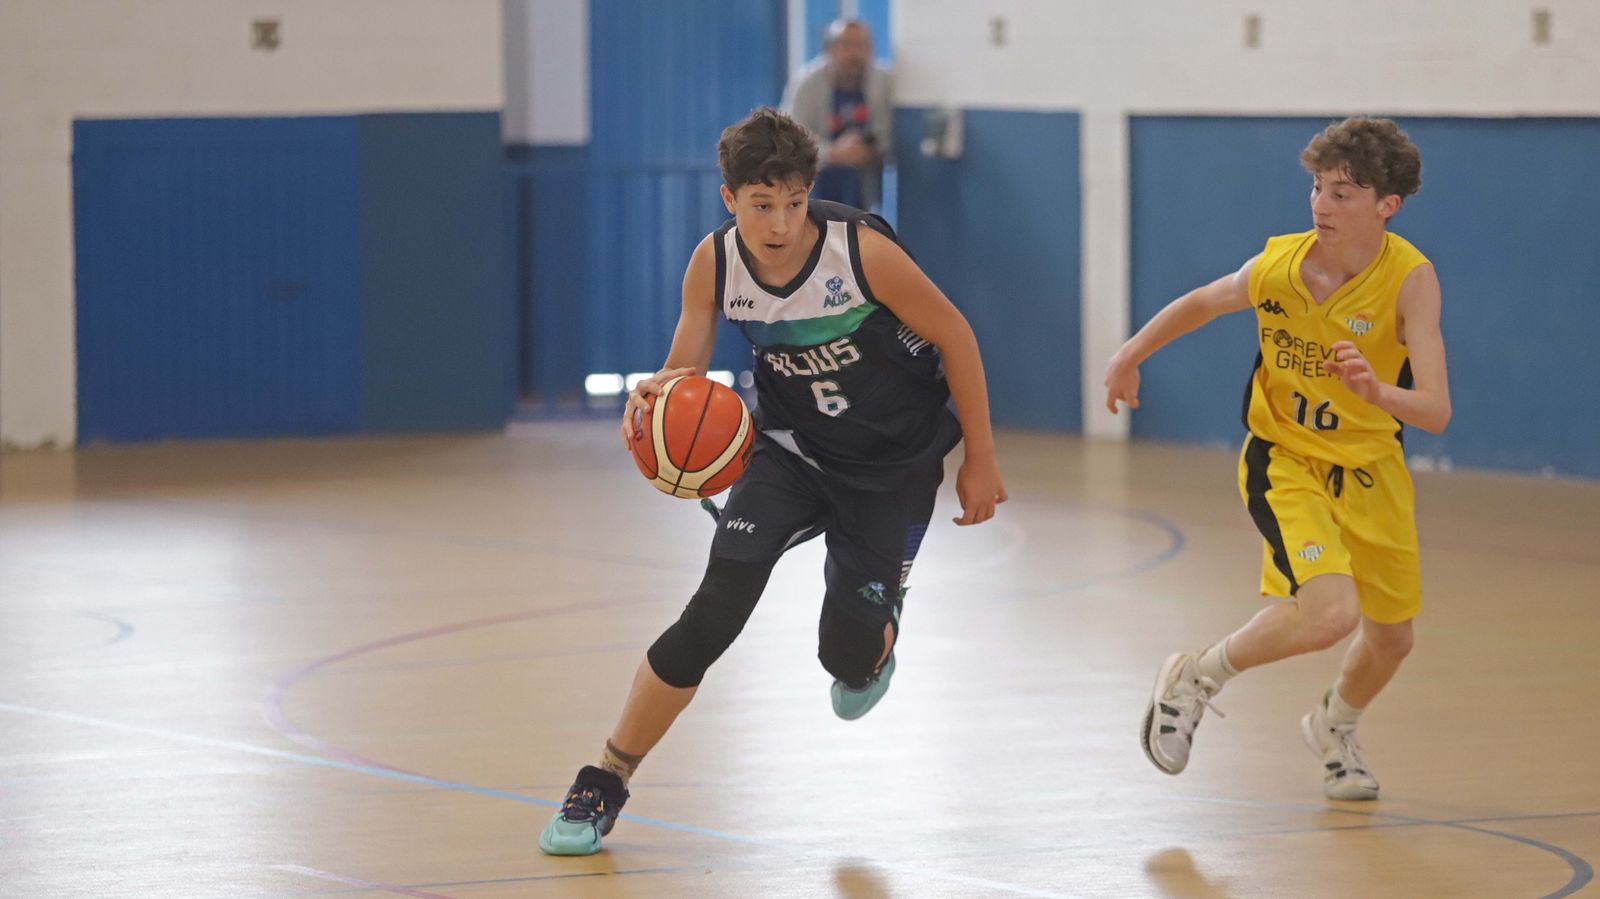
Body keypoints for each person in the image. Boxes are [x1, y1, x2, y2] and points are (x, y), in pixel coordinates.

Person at [539, 107, 1006, 856]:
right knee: (715, 605)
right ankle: (606, 775)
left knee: (846, 663)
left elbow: (956, 335)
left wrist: (980, 456)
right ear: (730, 199)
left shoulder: (861, 254)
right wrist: (655, 399)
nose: (780, 222)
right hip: (790, 451)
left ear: (809, 191)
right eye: (761, 204)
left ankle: (880, 617)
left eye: (792, 201)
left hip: (891, 468)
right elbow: (682, 370)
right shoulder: (715, 263)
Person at [1105, 117, 1451, 801]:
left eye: (1344, 193)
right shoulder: (1280, 268)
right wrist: (1128, 355)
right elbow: (1203, 301)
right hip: (1286, 460)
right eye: (1318, 189)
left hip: (1372, 469)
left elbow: (1436, 410)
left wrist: (1378, 389)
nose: (1322, 204)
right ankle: (1196, 675)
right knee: (1330, 614)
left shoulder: (1410, 280)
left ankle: (1333, 725)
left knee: (1392, 642)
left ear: (1388, 205)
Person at [781, 18, 893, 210]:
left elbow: (892, 135)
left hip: (865, 182)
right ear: (829, 50)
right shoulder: (807, 84)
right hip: (818, 179)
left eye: (862, 45)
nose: (855, 54)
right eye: (846, 46)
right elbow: (789, 140)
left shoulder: (883, 82)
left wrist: (869, 150)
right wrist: (834, 153)